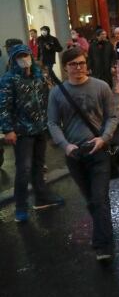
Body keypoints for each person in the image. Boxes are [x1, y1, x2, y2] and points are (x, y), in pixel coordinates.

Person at [47, 47, 118, 261]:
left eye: (81, 63)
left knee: (99, 198)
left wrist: (103, 138)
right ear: (65, 67)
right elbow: (52, 122)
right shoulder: (57, 92)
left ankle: (103, 246)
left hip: (99, 151)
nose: (78, 67)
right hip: (75, 155)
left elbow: (112, 117)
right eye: (73, 64)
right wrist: (65, 145)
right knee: (91, 200)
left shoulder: (101, 87)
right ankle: (105, 232)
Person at [0, 45, 64, 223]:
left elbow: (47, 99)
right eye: (19, 57)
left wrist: (51, 122)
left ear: (30, 56)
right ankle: (20, 206)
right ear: (14, 60)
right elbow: (3, 107)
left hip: (40, 128)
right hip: (21, 132)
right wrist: (8, 130)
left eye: (26, 55)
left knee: (39, 165)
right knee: (24, 170)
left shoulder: (38, 76)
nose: (24, 59)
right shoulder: (8, 79)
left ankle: (42, 197)